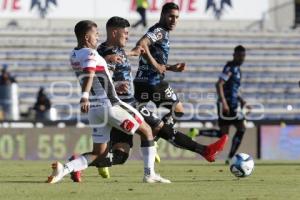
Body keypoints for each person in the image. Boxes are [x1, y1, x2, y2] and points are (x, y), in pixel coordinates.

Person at [88, 16, 228, 179]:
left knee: (120, 155)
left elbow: (126, 55)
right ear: (114, 32)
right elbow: (100, 78)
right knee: (161, 128)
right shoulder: (106, 53)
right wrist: (116, 86)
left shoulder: (116, 50)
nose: (127, 36)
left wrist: (166, 66)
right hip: (125, 104)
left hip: (124, 105)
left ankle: (78, 164)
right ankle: (205, 151)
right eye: (125, 33)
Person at [46, 20, 170, 184]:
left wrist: (117, 58)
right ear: (86, 36)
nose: (98, 37)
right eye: (95, 34)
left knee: (99, 153)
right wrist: (83, 96)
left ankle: (65, 169)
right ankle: (150, 175)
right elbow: (90, 73)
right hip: (110, 105)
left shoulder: (74, 54)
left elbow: (96, 73)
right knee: (147, 130)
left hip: (95, 110)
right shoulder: (90, 54)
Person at [189, 45, 250, 164]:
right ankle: (231, 157)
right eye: (239, 56)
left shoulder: (238, 69)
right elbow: (219, 84)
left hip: (230, 103)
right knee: (241, 128)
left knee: (223, 134)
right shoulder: (230, 68)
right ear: (234, 55)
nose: (241, 58)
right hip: (228, 104)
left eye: (243, 56)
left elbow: (232, 89)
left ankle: (197, 132)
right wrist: (224, 102)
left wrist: (241, 100)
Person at [133, 2, 186, 128]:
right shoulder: (159, 31)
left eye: (177, 17)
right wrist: (156, 66)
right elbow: (141, 43)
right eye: (171, 16)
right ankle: (159, 136)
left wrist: (171, 67)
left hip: (141, 81)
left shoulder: (160, 31)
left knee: (137, 115)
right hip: (153, 82)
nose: (174, 20)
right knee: (178, 110)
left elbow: (151, 58)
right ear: (162, 15)